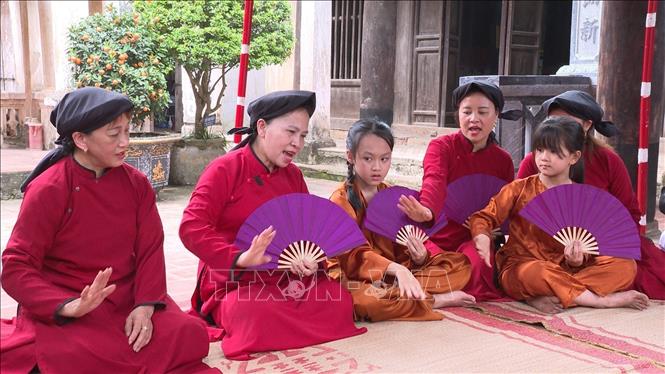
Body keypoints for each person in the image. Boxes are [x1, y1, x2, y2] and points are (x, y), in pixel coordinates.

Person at [1, 87, 215, 373]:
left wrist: (145, 305)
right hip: (73, 301)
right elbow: (16, 267)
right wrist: (67, 306)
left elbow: (150, 249)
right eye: (114, 135)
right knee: (74, 354)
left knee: (189, 334)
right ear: (80, 139)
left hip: (126, 298)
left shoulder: (137, 184)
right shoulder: (50, 188)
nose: (125, 142)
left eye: (128, 131)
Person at [179, 90, 366, 361]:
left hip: (286, 278)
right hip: (238, 281)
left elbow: (306, 232)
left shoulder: (294, 176)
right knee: (249, 312)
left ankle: (276, 329)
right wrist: (240, 257)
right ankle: (254, 324)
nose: (297, 143)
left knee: (337, 299)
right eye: (291, 132)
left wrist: (310, 263)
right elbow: (191, 227)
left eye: (302, 135)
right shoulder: (225, 170)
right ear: (262, 127)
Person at [470, 117, 649, 313]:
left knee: (625, 266)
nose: (544, 158)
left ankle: (544, 297)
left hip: (566, 269)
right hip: (524, 266)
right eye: (539, 150)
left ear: (574, 157)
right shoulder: (518, 189)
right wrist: (482, 235)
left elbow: (588, 245)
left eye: (554, 152)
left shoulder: (582, 198)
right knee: (536, 273)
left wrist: (579, 259)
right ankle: (599, 301)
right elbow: (484, 217)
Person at [517, 90, 665, 300]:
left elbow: (629, 215)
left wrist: (592, 248)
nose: (559, 127)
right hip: (545, 252)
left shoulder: (608, 161)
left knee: (626, 268)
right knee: (522, 271)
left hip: (599, 252)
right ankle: (586, 296)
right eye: (553, 120)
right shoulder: (535, 161)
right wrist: (554, 246)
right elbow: (518, 214)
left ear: (587, 126)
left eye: (567, 121)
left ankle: (559, 292)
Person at [328, 119, 474, 322]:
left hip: (392, 276)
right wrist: (397, 269)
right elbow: (351, 257)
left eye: (384, 159)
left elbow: (400, 247)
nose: (377, 167)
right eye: (368, 159)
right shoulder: (341, 200)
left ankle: (404, 293)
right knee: (366, 302)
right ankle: (433, 300)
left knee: (460, 266)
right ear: (350, 157)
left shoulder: (391, 195)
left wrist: (419, 258)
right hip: (356, 276)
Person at [396, 81, 522, 301]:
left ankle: (452, 292)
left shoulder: (502, 160)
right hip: (437, 231)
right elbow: (434, 180)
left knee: (480, 265)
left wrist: (494, 227)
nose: (474, 119)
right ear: (458, 115)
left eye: (483, 112)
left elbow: (503, 205)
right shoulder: (442, 147)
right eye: (467, 112)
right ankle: (442, 293)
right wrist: (427, 211)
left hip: (473, 238)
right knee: (422, 262)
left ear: (496, 116)